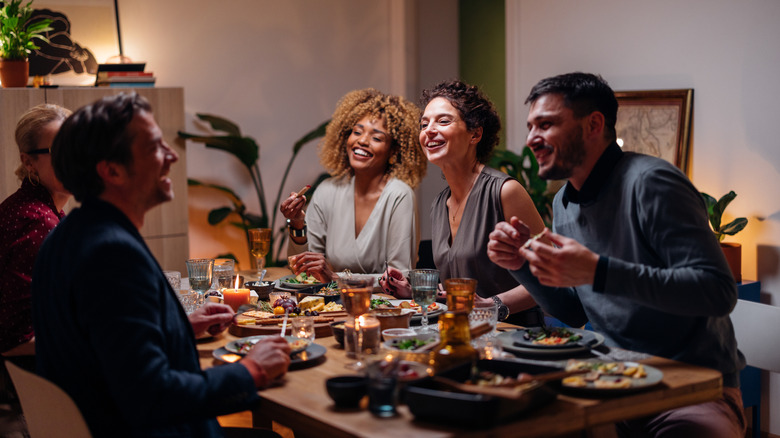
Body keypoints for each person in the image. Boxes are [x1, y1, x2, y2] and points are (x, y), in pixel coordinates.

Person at [487, 72, 745, 437]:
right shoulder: (564, 202)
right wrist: (522, 265)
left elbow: (718, 291)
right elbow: (574, 311)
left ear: (594, 124)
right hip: (611, 378)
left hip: (691, 387)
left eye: (546, 124)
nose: (531, 139)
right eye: (530, 127)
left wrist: (598, 271)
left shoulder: (652, 182)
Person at [31, 93, 291, 438]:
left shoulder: (67, 235)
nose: (171, 155)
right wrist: (251, 370)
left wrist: (175, 328)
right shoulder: (111, 254)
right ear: (112, 170)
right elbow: (150, 396)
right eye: (155, 147)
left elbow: (104, 347)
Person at [380, 79, 547, 327]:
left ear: (475, 134)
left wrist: (494, 306)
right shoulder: (439, 204)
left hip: (515, 335)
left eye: (443, 121)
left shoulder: (505, 191)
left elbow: (549, 275)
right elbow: (460, 293)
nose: (429, 130)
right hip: (462, 334)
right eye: (424, 124)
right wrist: (415, 291)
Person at [281, 88, 427, 283]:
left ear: (393, 151)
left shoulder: (399, 196)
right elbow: (305, 270)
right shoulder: (327, 191)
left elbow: (400, 277)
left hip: (384, 308)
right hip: (331, 306)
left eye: (376, 138)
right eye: (356, 132)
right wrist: (297, 224)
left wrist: (336, 277)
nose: (362, 141)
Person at [0, 104, 71, 357]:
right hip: (29, 383)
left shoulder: (29, 207)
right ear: (28, 162)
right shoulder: (38, 222)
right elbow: (14, 341)